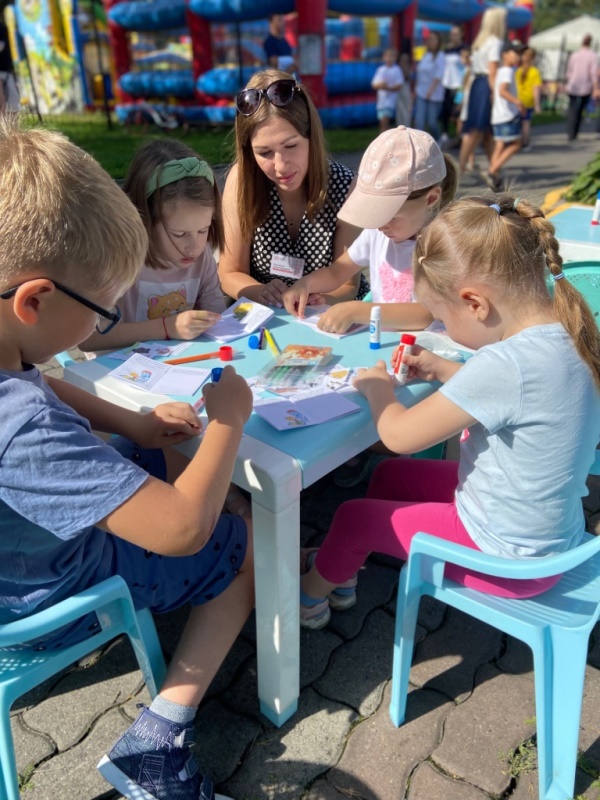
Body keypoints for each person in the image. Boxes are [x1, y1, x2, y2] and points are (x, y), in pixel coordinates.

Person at [0, 117, 255, 800]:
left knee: (145, 457)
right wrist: (228, 419)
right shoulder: (22, 429)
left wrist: (132, 422)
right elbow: (182, 529)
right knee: (246, 546)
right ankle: (158, 741)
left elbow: (39, 379)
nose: (103, 321)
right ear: (34, 301)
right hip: (40, 603)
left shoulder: (7, 353)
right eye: (102, 308)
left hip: (16, 563)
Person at [298, 194, 600, 629]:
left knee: (352, 518)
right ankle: (341, 571)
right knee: (391, 477)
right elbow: (517, 398)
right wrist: (443, 369)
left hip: (507, 561)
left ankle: (307, 599)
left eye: (443, 315)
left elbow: (398, 436)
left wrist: (378, 388)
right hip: (547, 535)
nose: (444, 327)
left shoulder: (504, 364)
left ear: (475, 303)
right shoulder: (569, 332)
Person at [282, 125, 457, 336]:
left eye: (390, 215)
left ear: (431, 199)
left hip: (425, 346)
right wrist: (305, 283)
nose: (380, 224)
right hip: (381, 342)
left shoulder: (443, 244)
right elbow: (338, 271)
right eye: (375, 214)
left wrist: (360, 311)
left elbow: (426, 314)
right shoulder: (377, 233)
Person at [219, 69, 368, 308]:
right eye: (264, 153)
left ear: (311, 137)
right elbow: (229, 272)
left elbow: (347, 285)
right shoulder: (241, 181)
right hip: (264, 314)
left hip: (326, 313)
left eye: (290, 146)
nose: (280, 166)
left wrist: (317, 302)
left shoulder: (346, 187)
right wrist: (261, 292)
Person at [80, 139, 225, 354]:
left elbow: (218, 317)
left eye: (203, 230)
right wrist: (167, 328)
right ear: (144, 220)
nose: (194, 247)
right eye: (179, 234)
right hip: (116, 368)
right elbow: (89, 339)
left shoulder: (202, 256)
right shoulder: (117, 260)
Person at [458, 7, 507, 179]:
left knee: (485, 131)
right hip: (486, 84)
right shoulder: (495, 42)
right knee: (478, 130)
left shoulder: (480, 42)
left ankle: (494, 170)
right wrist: (496, 93)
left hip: (476, 83)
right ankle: (460, 168)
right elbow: (492, 70)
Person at [485, 41, 524, 192]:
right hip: (507, 114)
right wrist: (517, 102)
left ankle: (494, 178)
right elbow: (503, 91)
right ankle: (492, 171)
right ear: (505, 54)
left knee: (500, 145)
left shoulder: (501, 71)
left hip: (498, 115)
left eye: (520, 53)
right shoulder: (508, 71)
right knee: (516, 144)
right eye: (515, 53)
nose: (518, 56)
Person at [564, 34, 599, 141]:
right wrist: (595, 87)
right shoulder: (592, 56)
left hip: (573, 85)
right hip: (585, 86)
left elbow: (569, 71)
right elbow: (593, 73)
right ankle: (575, 130)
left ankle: (571, 132)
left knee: (572, 108)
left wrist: (568, 82)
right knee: (580, 109)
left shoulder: (574, 55)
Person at [413, 32, 445, 141]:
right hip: (421, 92)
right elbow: (420, 74)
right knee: (419, 121)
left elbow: (438, 75)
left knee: (432, 122)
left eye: (434, 39)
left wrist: (430, 91)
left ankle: (438, 139)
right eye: (430, 39)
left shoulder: (440, 56)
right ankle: (420, 144)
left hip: (434, 94)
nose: (432, 41)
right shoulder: (425, 55)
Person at [439, 25, 465, 146]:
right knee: (446, 111)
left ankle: (460, 138)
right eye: (451, 34)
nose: (453, 36)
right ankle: (445, 135)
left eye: (456, 34)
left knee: (457, 113)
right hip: (447, 84)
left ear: (461, 35)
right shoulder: (447, 49)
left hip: (458, 84)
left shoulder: (463, 49)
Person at [371, 48, 405, 132]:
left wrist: (387, 87)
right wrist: (381, 85)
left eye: (391, 56)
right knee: (382, 123)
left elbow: (398, 86)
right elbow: (374, 85)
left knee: (384, 122)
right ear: (384, 57)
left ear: (395, 58)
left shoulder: (397, 70)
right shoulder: (381, 70)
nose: (389, 58)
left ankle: (385, 138)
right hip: (381, 102)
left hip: (390, 101)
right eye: (387, 56)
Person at [516, 47, 542, 151]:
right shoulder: (534, 72)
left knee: (516, 121)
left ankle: (515, 141)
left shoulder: (518, 70)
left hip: (518, 98)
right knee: (526, 122)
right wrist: (537, 104)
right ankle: (525, 142)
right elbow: (536, 89)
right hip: (528, 100)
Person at [0, 21, 19, 112]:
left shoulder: (2, 28)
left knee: (12, 100)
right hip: (4, 70)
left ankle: (8, 118)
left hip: (5, 69)